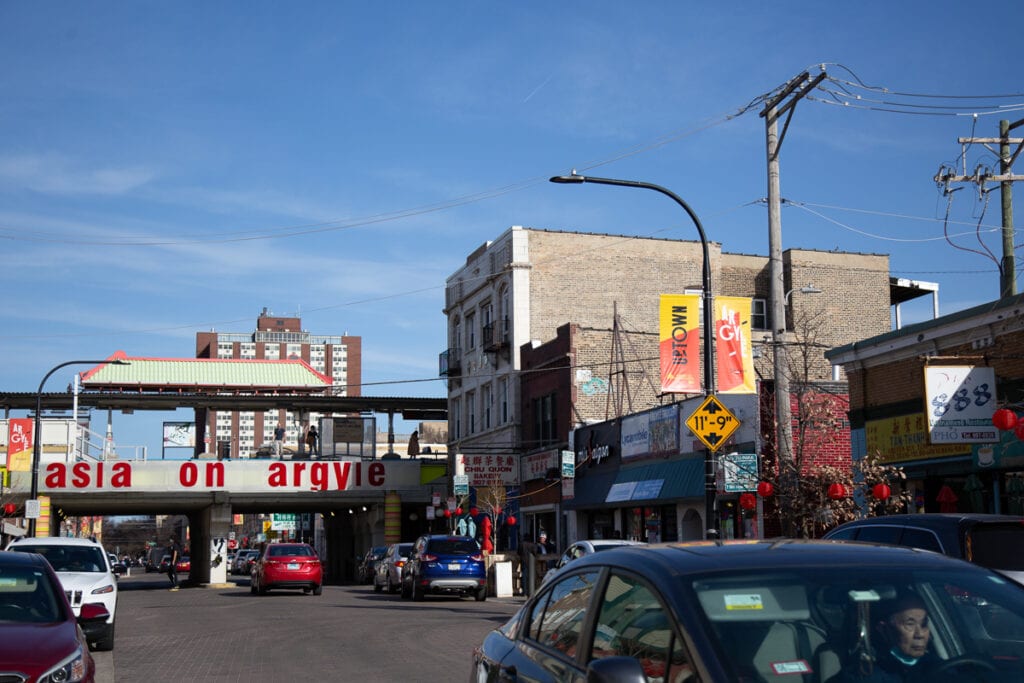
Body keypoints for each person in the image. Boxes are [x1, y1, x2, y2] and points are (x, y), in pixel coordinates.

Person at [841, 593, 938, 682]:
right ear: (884, 629)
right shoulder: (863, 676)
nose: (920, 634)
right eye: (910, 624)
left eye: (924, 624)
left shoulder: (939, 667)